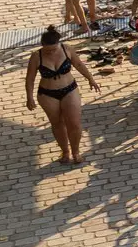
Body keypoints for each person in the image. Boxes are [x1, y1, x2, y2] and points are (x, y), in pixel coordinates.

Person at [25, 26, 98, 165]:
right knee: (57, 123)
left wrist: (91, 79)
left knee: (74, 123)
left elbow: (78, 64)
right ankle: (65, 151)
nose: (51, 52)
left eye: (54, 49)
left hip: (69, 89)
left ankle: (76, 152)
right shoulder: (36, 56)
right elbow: (30, 78)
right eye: (48, 50)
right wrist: (29, 97)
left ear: (59, 43)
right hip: (47, 93)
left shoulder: (67, 49)